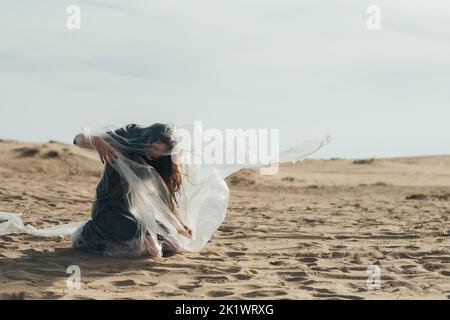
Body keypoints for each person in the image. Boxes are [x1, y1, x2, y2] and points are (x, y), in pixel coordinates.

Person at [71, 123, 192, 257]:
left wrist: (179, 225)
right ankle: (89, 235)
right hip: (108, 210)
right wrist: (97, 141)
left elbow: (163, 199)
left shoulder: (155, 164)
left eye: (160, 152)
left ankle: (125, 238)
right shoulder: (123, 142)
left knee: (173, 245)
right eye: (154, 148)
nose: (155, 154)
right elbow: (77, 139)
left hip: (132, 213)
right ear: (148, 138)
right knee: (151, 250)